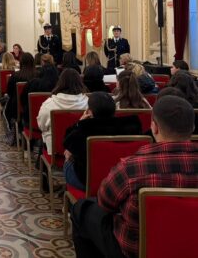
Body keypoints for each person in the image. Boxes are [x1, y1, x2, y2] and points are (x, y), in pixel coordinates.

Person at [71, 96, 198, 258]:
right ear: (192, 127)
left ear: (154, 127)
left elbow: (105, 202)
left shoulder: (131, 168)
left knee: (81, 209)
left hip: (135, 251)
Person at [63, 92, 142, 190]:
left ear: (90, 112)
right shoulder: (132, 126)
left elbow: (67, 142)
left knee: (68, 153)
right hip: (122, 182)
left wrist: (79, 123)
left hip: (88, 182)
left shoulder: (84, 129)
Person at [37, 69, 89, 152]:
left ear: (60, 82)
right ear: (80, 82)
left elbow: (41, 126)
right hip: (80, 149)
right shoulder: (88, 103)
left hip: (54, 148)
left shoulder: (49, 104)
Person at [3, 52, 36, 129]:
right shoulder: (38, 74)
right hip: (34, 105)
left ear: (21, 62)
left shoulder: (15, 75)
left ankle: (12, 128)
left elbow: (9, 91)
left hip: (17, 106)